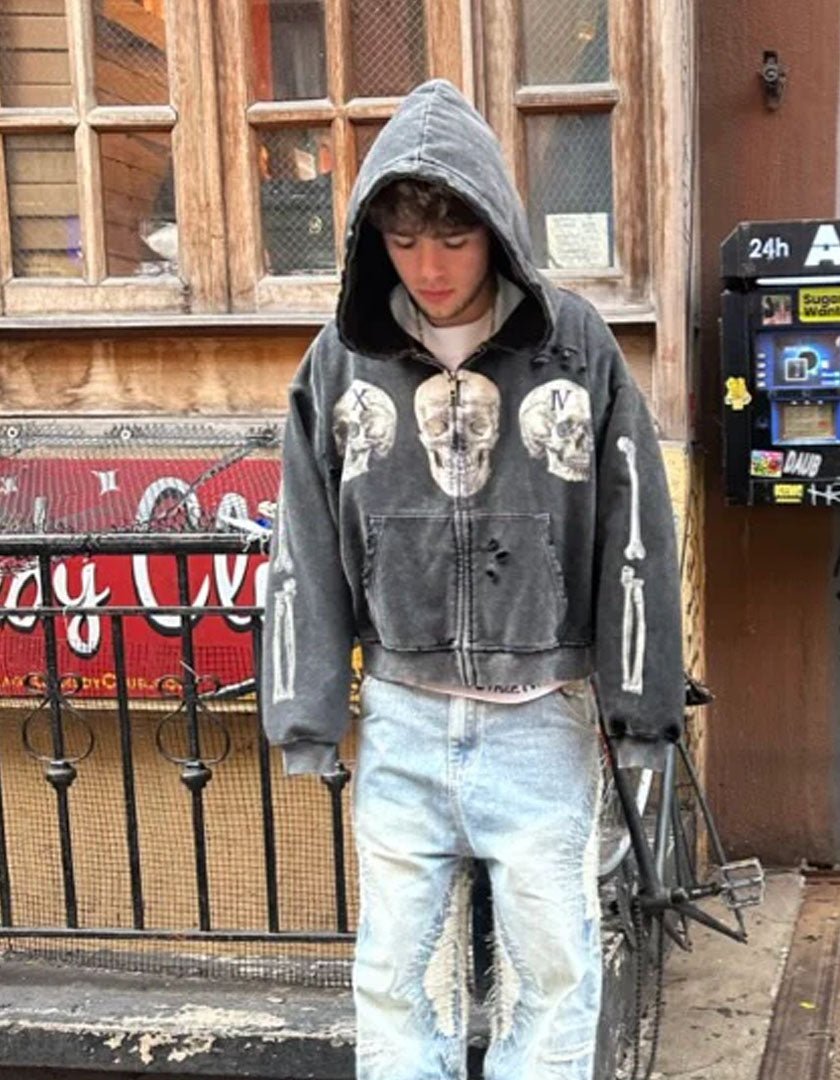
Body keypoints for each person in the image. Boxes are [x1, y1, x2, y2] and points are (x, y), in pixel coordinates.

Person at [261, 78, 684, 1080]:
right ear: (376, 240)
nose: (431, 265)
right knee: (394, 981)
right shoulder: (340, 363)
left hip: (540, 720)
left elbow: (635, 527)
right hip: (402, 717)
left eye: (455, 236)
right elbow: (304, 537)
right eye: (405, 239)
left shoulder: (574, 347)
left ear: (496, 225)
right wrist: (305, 714)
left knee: (555, 977)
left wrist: (641, 712)